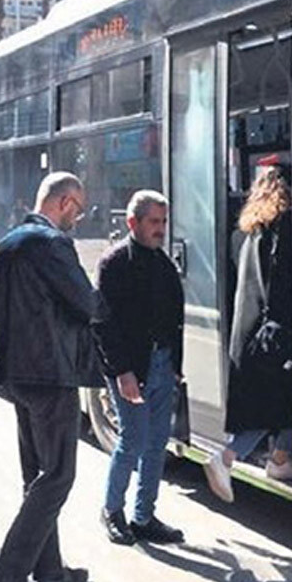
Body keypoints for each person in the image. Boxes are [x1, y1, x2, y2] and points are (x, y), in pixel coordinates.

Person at [0, 172, 104, 582]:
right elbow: (86, 304)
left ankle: (50, 574)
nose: (79, 218)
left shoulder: (8, 243)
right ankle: (4, 579)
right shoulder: (53, 244)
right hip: (51, 374)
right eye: (80, 208)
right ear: (65, 203)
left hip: (16, 374)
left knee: (37, 475)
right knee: (56, 476)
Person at [204, 166, 292, 504]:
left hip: (248, 333)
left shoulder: (248, 230)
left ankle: (275, 459)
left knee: (272, 403)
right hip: (271, 333)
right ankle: (235, 458)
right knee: (286, 400)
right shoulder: (284, 226)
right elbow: (285, 283)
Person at [96, 189, 186, 546]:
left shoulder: (163, 265)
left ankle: (143, 516)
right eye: (154, 222)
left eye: (163, 222)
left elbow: (173, 319)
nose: (160, 229)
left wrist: (175, 366)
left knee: (156, 443)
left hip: (162, 365)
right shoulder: (114, 263)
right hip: (132, 367)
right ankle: (111, 511)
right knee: (132, 440)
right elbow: (103, 324)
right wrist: (122, 371)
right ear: (132, 222)